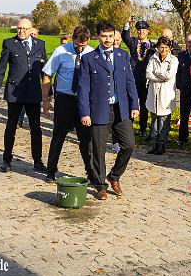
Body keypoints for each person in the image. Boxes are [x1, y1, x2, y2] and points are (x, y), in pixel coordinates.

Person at [79, 21, 139, 200]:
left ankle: (114, 176)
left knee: (129, 144)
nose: (107, 39)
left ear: (115, 37)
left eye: (110, 36)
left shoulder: (123, 56)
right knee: (98, 149)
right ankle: (100, 185)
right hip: (98, 109)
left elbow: (130, 82)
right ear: (98, 37)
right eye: (104, 36)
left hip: (121, 109)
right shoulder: (88, 59)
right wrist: (85, 112)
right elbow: (83, 87)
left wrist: (134, 105)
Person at [0, 18, 47, 173]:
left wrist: (48, 92)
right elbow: (1, 68)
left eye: (24, 29)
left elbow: (45, 70)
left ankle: (37, 161)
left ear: (31, 30)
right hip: (14, 92)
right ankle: (6, 160)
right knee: (11, 127)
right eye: (19, 28)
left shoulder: (39, 44)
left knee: (36, 128)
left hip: (33, 92)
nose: (21, 31)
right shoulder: (9, 43)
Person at [41, 25, 95, 183]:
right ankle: (51, 170)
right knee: (58, 136)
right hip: (64, 99)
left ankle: (90, 172)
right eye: (78, 45)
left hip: (83, 101)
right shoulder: (61, 51)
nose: (80, 48)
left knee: (85, 139)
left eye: (83, 45)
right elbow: (47, 74)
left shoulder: (92, 54)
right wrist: (45, 100)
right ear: (73, 39)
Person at [121, 19, 155, 138]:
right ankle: (128, 128)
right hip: (134, 78)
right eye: (139, 30)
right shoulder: (134, 42)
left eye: (143, 30)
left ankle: (143, 128)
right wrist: (127, 25)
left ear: (148, 31)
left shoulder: (153, 46)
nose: (141, 32)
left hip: (146, 79)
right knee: (132, 103)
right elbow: (125, 37)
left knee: (144, 105)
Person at [146, 36, 178, 155]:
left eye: (165, 47)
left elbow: (169, 76)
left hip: (166, 95)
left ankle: (161, 145)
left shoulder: (173, 60)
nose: (163, 50)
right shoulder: (153, 58)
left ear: (169, 48)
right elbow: (148, 73)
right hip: (153, 94)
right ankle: (154, 144)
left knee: (164, 122)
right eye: (161, 47)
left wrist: (157, 73)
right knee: (154, 122)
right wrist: (160, 76)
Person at [176, 33, 191, 147]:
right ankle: (183, 138)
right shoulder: (181, 56)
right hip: (185, 90)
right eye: (189, 41)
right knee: (184, 115)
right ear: (186, 43)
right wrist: (180, 86)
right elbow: (177, 73)